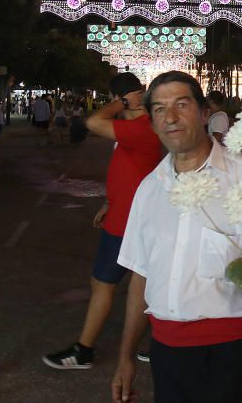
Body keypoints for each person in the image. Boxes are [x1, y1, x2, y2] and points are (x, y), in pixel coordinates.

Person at [110, 71, 242, 403]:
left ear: (205, 112)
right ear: (152, 123)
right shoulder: (151, 188)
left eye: (182, 104)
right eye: (159, 109)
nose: (171, 117)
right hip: (165, 351)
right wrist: (126, 355)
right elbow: (141, 274)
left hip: (229, 352)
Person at [43, 73, 163, 370]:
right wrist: (110, 200)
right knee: (142, 286)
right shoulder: (135, 127)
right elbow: (130, 169)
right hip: (126, 215)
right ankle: (159, 344)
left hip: (127, 223)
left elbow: (93, 122)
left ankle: (84, 350)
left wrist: (119, 103)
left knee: (105, 283)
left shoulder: (142, 127)